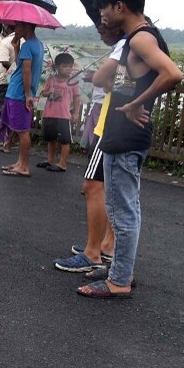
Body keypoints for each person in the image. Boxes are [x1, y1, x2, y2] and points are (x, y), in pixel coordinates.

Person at [76, 0, 181, 299]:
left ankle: (119, 281)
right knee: (124, 207)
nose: (102, 16)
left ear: (120, 6)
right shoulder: (137, 38)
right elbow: (121, 82)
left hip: (126, 139)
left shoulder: (140, 40)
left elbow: (173, 74)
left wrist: (136, 104)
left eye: (104, 9)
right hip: (121, 135)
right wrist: (119, 91)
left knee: (122, 212)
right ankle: (121, 269)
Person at [53, 23, 126, 274]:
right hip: (115, 125)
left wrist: (96, 77)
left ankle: (92, 252)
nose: (101, 30)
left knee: (93, 186)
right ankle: (106, 246)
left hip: (111, 128)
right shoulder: (135, 46)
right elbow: (120, 86)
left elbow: (104, 79)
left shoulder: (126, 45)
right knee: (113, 190)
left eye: (104, 24)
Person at [0, 21, 44, 177]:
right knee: (20, 130)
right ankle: (19, 163)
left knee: (22, 131)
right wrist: (16, 47)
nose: (15, 29)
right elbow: (20, 65)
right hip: (19, 92)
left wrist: (27, 95)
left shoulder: (28, 45)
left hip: (19, 93)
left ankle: (24, 166)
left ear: (27, 27)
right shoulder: (37, 44)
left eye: (18, 26)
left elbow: (26, 72)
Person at [37, 53, 82, 172]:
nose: (68, 69)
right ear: (57, 66)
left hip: (64, 116)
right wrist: (50, 92)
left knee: (65, 140)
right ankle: (50, 160)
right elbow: (43, 93)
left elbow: (77, 98)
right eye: (64, 66)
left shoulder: (73, 82)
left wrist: (76, 113)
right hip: (49, 113)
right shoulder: (51, 80)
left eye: (70, 66)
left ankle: (62, 164)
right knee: (50, 139)